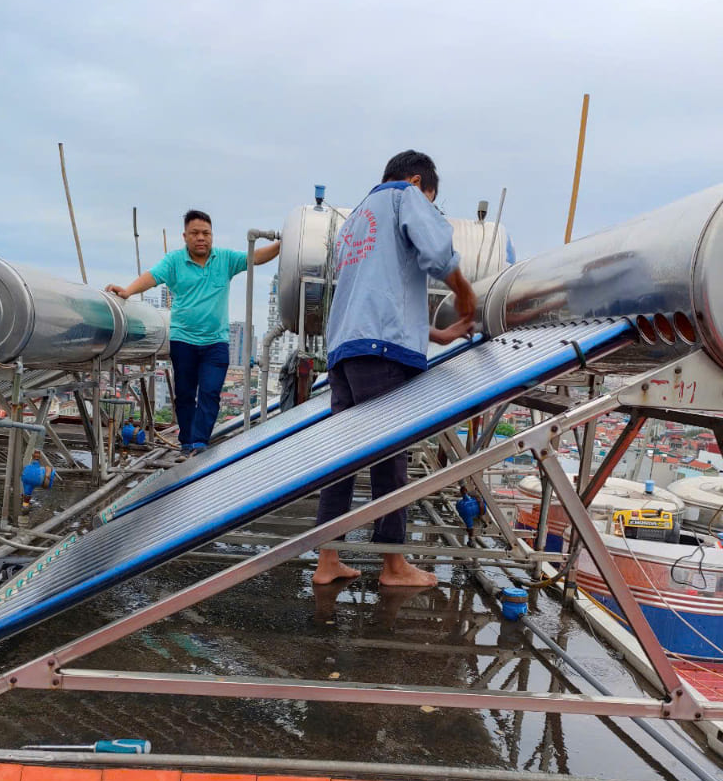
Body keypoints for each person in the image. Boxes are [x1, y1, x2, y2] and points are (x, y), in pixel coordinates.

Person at [312, 150, 476, 587]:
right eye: (432, 199)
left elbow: (377, 289)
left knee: (343, 459)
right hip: (381, 352)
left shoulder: (355, 219)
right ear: (418, 181)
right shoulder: (405, 196)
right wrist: (462, 291)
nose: (429, 206)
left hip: (346, 350)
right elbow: (438, 251)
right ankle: (393, 565)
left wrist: (434, 335)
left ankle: (327, 561)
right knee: (391, 458)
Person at [107, 210, 280, 458]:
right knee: (186, 394)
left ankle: (199, 443)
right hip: (183, 340)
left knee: (210, 391)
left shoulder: (225, 259)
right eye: (195, 233)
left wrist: (285, 243)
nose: (201, 238)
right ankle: (187, 442)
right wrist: (128, 291)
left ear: (212, 236)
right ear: (185, 236)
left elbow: (255, 257)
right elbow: (152, 277)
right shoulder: (175, 261)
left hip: (216, 342)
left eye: (206, 233)